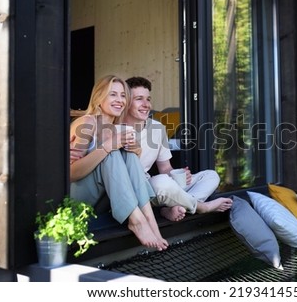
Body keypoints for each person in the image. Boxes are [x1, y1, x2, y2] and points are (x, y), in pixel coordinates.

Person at [69, 74, 168, 251]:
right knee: (111, 152)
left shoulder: (118, 127)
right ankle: (136, 221)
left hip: (104, 202)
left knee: (126, 153)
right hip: (77, 201)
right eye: (113, 94)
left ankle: (149, 221)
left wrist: (135, 152)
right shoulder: (86, 122)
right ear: (99, 98)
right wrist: (107, 147)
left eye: (123, 95)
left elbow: (122, 175)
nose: (120, 100)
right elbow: (70, 174)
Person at [123, 76, 233, 222]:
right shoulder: (116, 130)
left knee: (210, 176)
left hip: (157, 188)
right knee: (161, 182)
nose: (146, 104)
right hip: (137, 190)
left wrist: (179, 175)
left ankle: (173, 209)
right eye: (139, 99)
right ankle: (201, 207)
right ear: (126, 102)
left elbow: (165, 168)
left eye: (148, 99)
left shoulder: (157, 128)